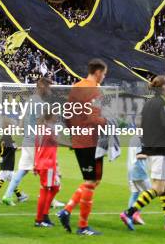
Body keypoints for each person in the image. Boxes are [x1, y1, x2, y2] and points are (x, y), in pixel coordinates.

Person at [120, 76, 165, 231]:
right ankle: (129, 212)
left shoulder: (149, 103)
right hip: (160, 151)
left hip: (155, 149)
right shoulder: (163, 104)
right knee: (158, 188)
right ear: (163, 87)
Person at [57, 59, 107, 236]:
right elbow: (93, 118)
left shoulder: (76, 87)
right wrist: (108, 121)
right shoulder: (94, 89)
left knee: (93, 180)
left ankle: (67, 211)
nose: (104, 77)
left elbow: (67, 115)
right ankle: (82, 226)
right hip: (90, 140)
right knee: (91, 181)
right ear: (98, 72)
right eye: (104, 73)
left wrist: (73, 136)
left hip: (79, 139)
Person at [3, 78, 54, 205]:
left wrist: (22, 134)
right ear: (42, 86)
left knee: (22, 170)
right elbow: (39, 123)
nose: (50, 90)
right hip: (34, 141)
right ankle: (50, 200)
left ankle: (7, 196)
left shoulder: (30, 100)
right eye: (48, 87)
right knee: (47, 168)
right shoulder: (38, 102)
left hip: (27, 140)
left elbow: (21, 123)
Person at [34, 111, 60, 227]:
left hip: (42, 163)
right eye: (56, 114)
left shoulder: (41, 129)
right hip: (47, 164)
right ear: (51, 116)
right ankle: (40, 219)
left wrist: (35, 163)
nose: (58, 116)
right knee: (45, 190)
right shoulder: (49, 130)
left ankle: (44, 215)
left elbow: (36, 147)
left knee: (55, 187)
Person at [0, 120, 20, 203]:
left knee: (12, 180)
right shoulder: (10, 140)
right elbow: (17, 148)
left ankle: (20, 196)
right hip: (8, 163)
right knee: (4, 180)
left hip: (4, 162)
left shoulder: (2, 139)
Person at [126, 135, 149, 225]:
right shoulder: (140, 139)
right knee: (151, 192)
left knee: (135, 193)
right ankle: (135, 214)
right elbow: (138, 155)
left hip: (131, 169)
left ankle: (130, 216)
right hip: (138, 170)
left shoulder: (134, 138)